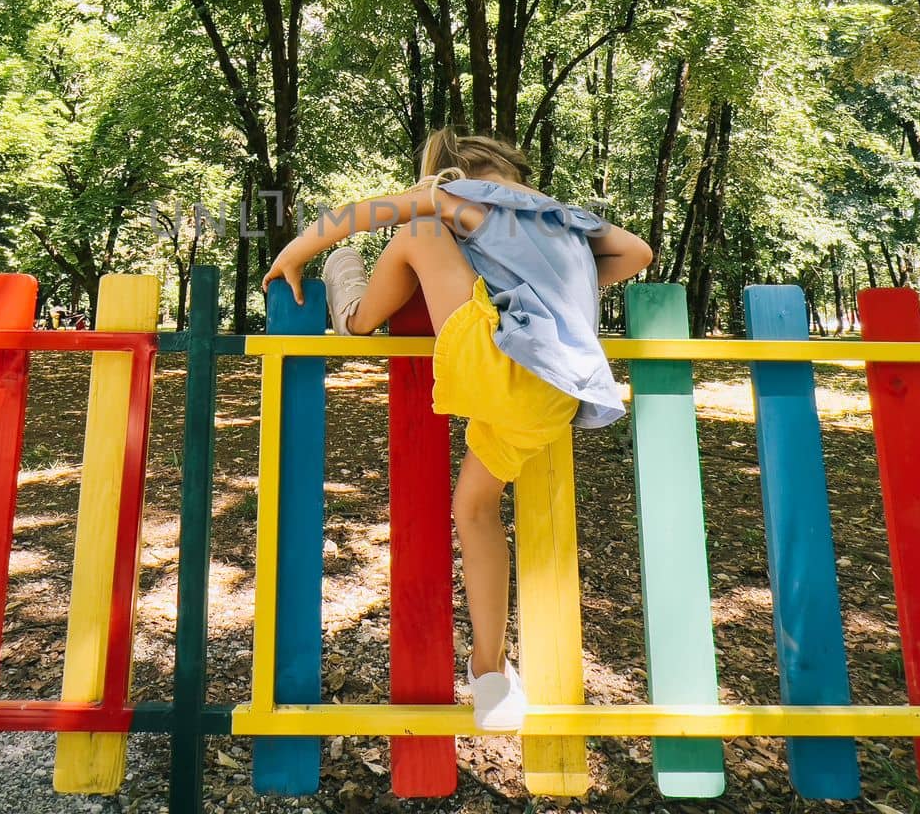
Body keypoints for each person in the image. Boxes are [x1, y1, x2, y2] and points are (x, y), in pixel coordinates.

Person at [262, 127, 653, 731]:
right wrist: (556, 289)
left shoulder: (456, 199)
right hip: (553, 398)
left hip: (495, 363)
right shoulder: (569, 222)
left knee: (412, 231)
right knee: (473, 510)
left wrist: (295, 250)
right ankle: (490, 673)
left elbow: (356, 213)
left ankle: (354, 314)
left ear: (449, 179)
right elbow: (638, 253)